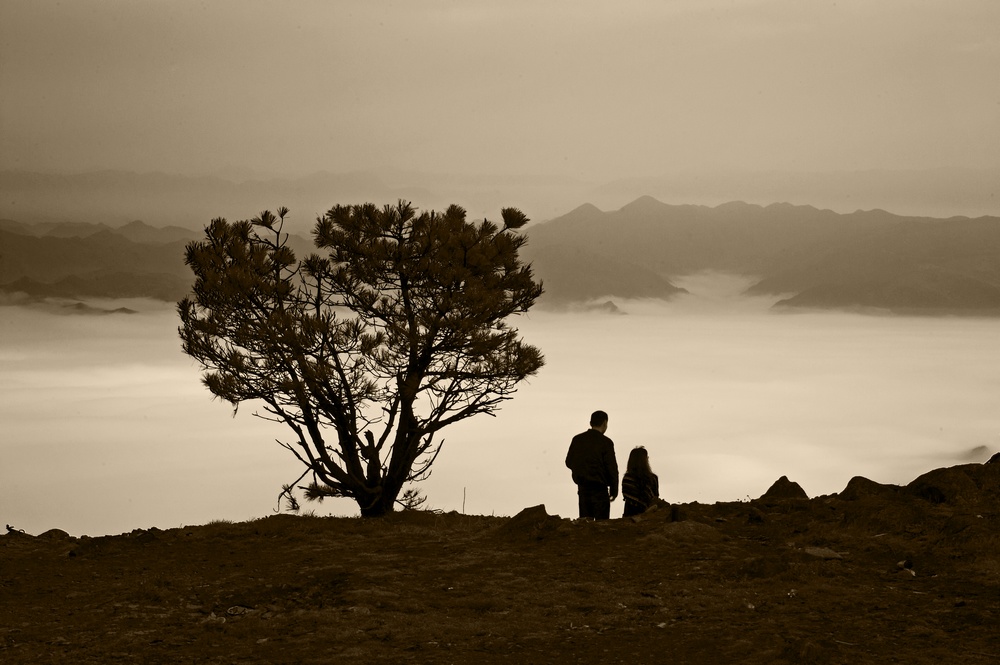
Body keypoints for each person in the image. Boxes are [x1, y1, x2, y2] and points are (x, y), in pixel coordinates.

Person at [565, 410, 619, 520]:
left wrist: (580, 470)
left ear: (590, 423)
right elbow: (612, 467)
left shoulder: (577, 440)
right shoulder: (606, 443)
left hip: (583, 488)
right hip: (600, 489)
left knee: (585, 524)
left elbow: (568, 462)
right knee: (601, 525)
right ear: (605, 423)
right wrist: (614, 489)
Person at [621, 446, 660, 517]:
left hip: (630, 514)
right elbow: (655, 498)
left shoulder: (627, 478)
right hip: (648, 514)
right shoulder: (653, 478)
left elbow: (627, 497)